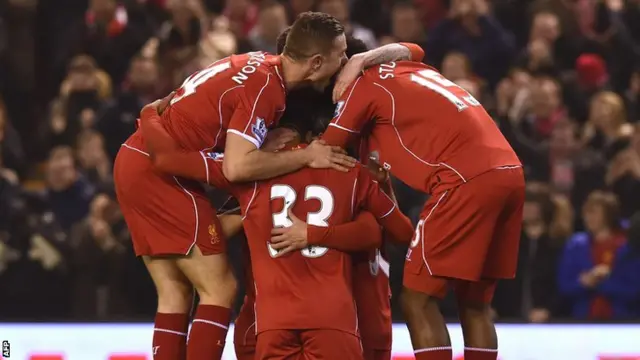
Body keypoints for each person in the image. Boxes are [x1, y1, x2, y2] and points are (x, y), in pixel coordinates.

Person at [113, 12, 357, 360]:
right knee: (221, 289)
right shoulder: (267, 88)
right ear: (316, 63)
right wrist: (306, 157)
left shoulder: (257, 62)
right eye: (342, 55)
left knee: (174, 292)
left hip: (135, 160)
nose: (345, 62)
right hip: (161, 175)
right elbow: (238, 165)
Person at [137, 108, 414, 359]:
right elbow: (399, 233)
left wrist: (149, 116)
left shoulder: (251, 178)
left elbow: (173, 160)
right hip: (332, 317)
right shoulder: (354, 173)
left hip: (271, 322)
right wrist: (381, 189)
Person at [310, 61, 525, 360]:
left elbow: (325, 149)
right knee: (474, 301)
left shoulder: (361, 87)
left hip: (463, 180)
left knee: (417, 298)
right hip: (510, 171)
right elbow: (413, 48)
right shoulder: (410, 68)